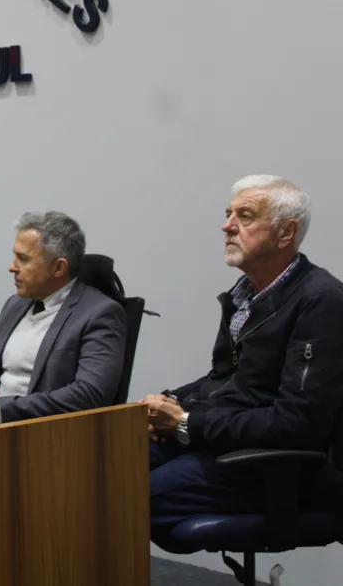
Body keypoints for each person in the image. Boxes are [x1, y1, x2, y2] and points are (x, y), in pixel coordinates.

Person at [143, 175, 343, 539]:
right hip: (218, 442)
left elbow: (297, 424)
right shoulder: (245, 296)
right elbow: (225, 380)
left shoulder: (321, 301)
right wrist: (169, 402)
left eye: (245, 216)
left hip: (265, 467)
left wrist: (186, 423)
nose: (227, 226)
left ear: (286, 233)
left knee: (122, 498)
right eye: (228, 214)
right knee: (95, 469)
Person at [0, 212, 127, 423]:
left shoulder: (100, 314)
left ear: (58, 267)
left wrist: (0, 407)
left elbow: (89, 394)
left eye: (23, 259)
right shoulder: (15, 305)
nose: (11, 267)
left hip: (48, 435)